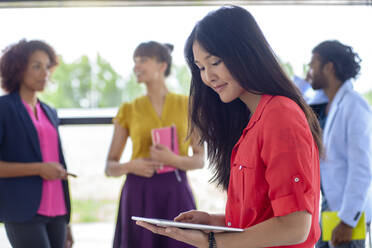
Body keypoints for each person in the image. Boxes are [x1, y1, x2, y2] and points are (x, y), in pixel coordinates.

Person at [136, 5, 322, 248]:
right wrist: (215, 222)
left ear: (245, 53)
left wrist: (213, 242)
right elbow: (263, 215)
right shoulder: (252, 121)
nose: (208, 77)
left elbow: (295, 226)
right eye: (201, 67)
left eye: (215, 62)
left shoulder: (280, 115)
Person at [105, 41, 204, 248]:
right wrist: (130, 166)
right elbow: (110, 167)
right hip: (138, 191)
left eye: (143, 60)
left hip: (175, 191)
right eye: (135, 61)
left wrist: (173, 160)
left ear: (162, 66)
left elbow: (200, 160)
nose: (136, 67)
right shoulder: (129, 109)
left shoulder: (188, 105)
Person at [0, 39, 73, 248]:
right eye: (37, 66)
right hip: (23, 210)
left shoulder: (50, 111)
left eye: (47, 66)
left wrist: (67, 222)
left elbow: (57, 159)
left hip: (58, 210)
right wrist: (39, 169)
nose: (45, 73)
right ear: (18, 68)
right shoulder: (3, 108)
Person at [306, 41, 372, 248]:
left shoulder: (354, 105)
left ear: (329, 67)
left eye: (313, 63)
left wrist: (347, 221)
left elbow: (361, 167)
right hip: (331, 207)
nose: (309, 69)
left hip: (348, 215)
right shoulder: (331, 104)